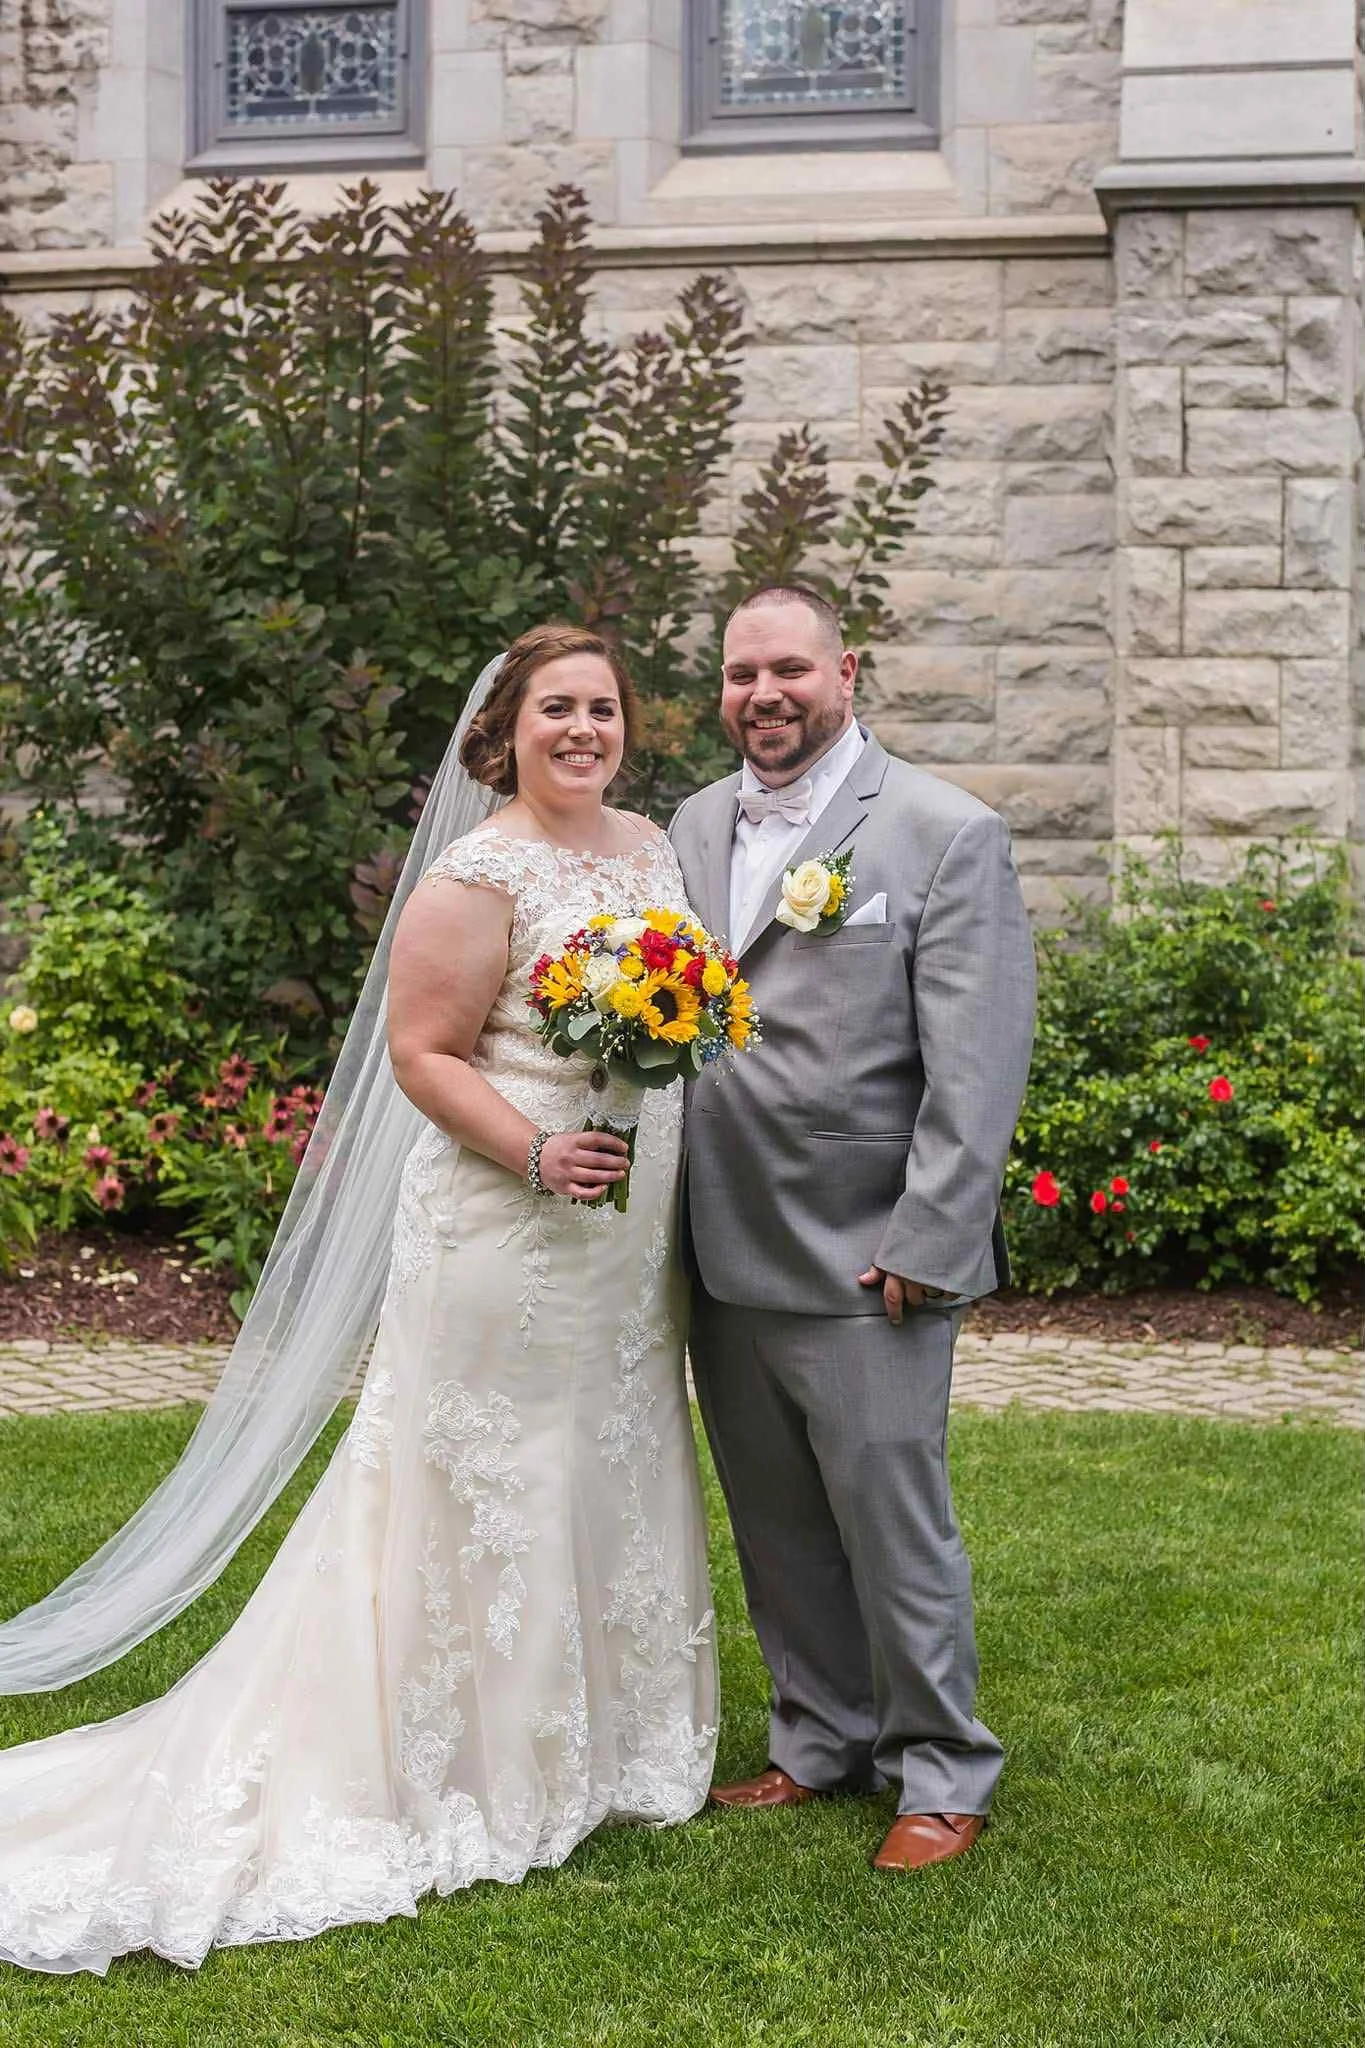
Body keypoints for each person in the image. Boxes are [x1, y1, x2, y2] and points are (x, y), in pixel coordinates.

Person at [0, 623, 716, 1975]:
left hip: (623, 1246)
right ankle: (466, 1766)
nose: (582, 730)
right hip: (507, 1223)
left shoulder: (650, 846)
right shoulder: (473, 873)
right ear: (501, 731)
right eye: (555, 709)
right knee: (485, 1472)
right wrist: (535, 1149)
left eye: (603, 709)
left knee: (610, 1456)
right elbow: (420, 1054)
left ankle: (607, 1748)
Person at [669, 585, 1035, 1872]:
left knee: (893, 1518)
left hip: (867, 1253)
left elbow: (978, 1066)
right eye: (738, 674)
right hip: (718, 1241)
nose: (762, 695)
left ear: (846, 671)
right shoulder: (693, 822)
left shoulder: (946, 830)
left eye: (788, 670)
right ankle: (818, 1735)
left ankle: (941, 1764)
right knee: (773, 1517)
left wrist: (930, 1241)